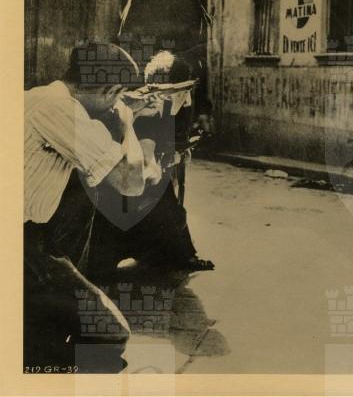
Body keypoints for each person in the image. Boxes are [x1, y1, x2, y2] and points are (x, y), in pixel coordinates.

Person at [24, 41, 149, 370]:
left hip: (31, 239)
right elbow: (131, 182)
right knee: (109, 334)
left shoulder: (41, 98)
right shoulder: (58, 109)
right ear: (111, 91)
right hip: (20, 246)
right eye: (118, 96)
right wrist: (128, 121)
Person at [88, 50, 215, 273]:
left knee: (167, 208)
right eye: (183, 91)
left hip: (130, 177)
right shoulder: (147, 110)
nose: (187, 98)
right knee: (161, 207)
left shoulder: (167, 107)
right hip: (118, 177)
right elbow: (145, 158)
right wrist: (159, 164)